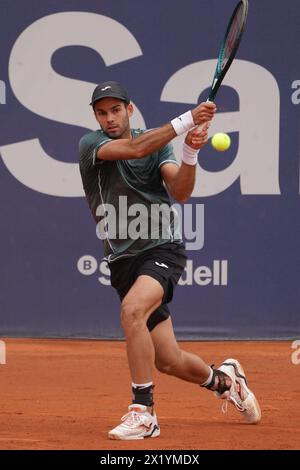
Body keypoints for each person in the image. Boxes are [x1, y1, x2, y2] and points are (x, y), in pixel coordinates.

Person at [79, 81, 261, 440]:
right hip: (122, 261)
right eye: (102, 112)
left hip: (161, 248)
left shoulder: (156, 147)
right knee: (168, 360)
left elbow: (180, 192)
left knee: (132, 311)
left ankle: (143, 412)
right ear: (96, 117)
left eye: (116, 110)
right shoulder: (92, 145)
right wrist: (188, 121)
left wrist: (190, 154)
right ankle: (226, 381)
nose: (110, 118)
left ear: (130, 110)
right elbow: (134, 148)